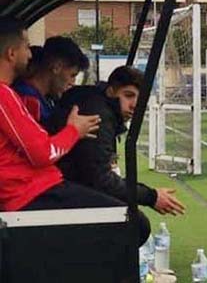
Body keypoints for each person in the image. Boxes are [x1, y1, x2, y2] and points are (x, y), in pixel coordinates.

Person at [50, 66, 186, 245]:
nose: (135, 105)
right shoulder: (99, 114)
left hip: (61, 183)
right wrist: (151, 196)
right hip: (57, 189)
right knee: (136, 224)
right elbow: (99, 179)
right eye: (128, 96)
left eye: (140, 98)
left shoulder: (96, 102)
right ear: (111, 91)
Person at [0, 17, 116, 215]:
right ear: (11, 53)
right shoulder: (6, 96)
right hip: (28, 193)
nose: (31, 54)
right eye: (27, 47)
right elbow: (42, 153)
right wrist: (73, 131)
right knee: (129, 221)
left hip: (37, 186)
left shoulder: (10, 94)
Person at [13, 36, 89, 127]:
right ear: (56, 67)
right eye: (72, 75)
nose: (72, 82)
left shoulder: (46, 99)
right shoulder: (27, 100)